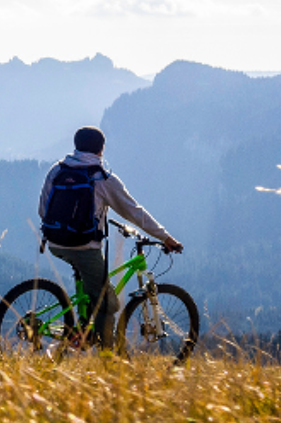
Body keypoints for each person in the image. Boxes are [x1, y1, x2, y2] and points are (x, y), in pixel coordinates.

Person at [38, 126, 182, 349]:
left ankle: (85, 326)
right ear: (101, 150)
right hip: (84, 248)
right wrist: (166, 237)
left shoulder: (56, 170)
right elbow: (134, 212)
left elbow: (42, 210)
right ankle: (107, 358)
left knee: (92, 286)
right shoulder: (103, 178)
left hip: (55, 242)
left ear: (76, 145)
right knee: (108, 303)